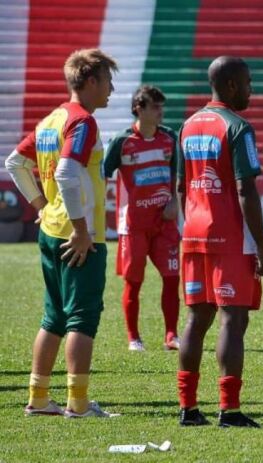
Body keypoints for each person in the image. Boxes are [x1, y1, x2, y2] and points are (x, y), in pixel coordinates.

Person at [5, 48, 118, 418]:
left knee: (53, 317)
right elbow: (68, 172)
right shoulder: (82, 121)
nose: (111, 89)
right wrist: (83, 230)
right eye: (107, 81)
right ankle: (79, 404)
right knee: (81, 318)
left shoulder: (52, 119)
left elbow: (15, 162)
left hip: (52, 231)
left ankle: (38, 398)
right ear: (90, 81)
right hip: (78, 237)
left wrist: (42, 206)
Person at [176, 56, 263, 427]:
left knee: (197, 318)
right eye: (248, 82)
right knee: (233, 319)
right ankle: (229, 410)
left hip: (194, 233)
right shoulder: (237, 127)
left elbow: (182, 186)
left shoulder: (186, 126)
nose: (252, 89)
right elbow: (246, 189)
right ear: (231, 85)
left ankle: (188, 408)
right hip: (229, 236)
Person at [103, 85, 180, 352]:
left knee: (172, 277)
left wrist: (174, 202)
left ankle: (171, 335)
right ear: (139, 108)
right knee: (134, 282)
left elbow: (177, 175)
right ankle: (133, 338)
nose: (161, 112)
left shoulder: (170, 137)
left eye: (161, 106)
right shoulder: (122, 142)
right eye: (155, 106)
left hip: (165, 222)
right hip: (133, 225)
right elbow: (102, 174)